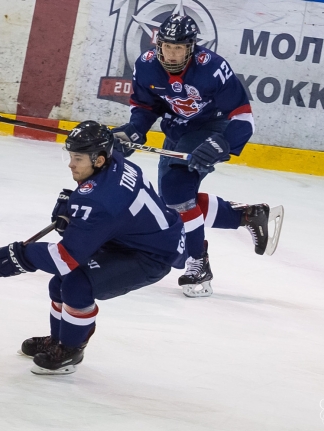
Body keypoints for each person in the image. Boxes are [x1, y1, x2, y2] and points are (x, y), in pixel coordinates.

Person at [0, 121, 186, 375]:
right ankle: (57, 340)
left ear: (99, 160)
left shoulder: (100, 201)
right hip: (134, 237)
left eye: (78, 158)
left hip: (151, 254)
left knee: (76, 285)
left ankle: (70, 349)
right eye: (71, 156)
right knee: (59, 284)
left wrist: (20, 255)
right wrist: (74, 217)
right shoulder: (115, 161)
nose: (71, 164)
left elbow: (64, 258)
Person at [112, 12, 283, 298]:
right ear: (158, 44)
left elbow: (244, 118)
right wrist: (135, 130)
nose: (172, 53)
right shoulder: (146, 66)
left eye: (179, 47)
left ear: (191, 47)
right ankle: (248, 216)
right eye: (167, 46)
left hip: (213, 128)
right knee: (173, 202)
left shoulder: (212, 68)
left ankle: (198, 262)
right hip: (178, 131)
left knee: (176, 191)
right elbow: (145, 106)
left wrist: (222, 143)